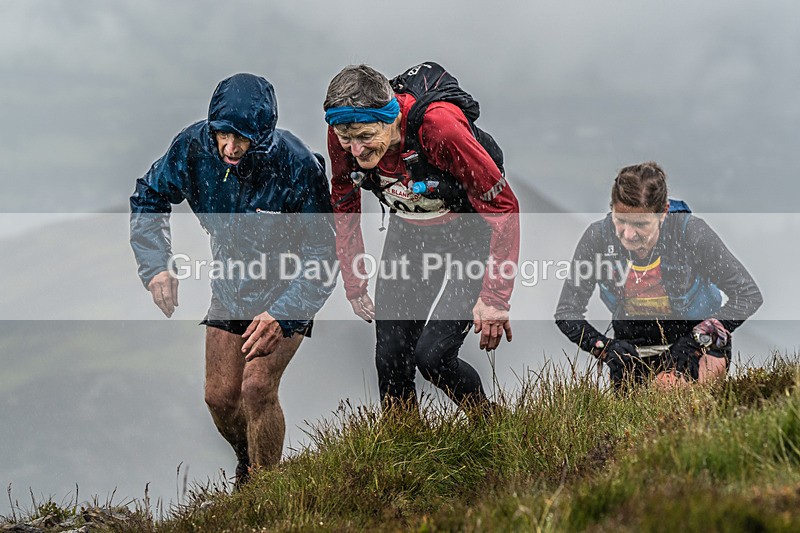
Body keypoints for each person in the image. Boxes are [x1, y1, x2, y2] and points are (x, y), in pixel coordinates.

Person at [130, 73, 336, 484]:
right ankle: (249, 466)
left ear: (263, 134)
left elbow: (323, 257)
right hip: (232, 285)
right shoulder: (193, 147)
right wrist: (156, 266)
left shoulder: (296, 164)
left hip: (289, 287)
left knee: (257, 387)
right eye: (223, 134)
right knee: (220, 397)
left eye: (242, 138)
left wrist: (283, 314)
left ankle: (265, 488)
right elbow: (148, 197)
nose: (230, 147)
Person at [323, 64, 520, 413]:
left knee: (434, 356)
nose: (355, 150)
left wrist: (495, 298)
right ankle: (405, 453)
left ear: (392, 117)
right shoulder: (343, 130)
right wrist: (354, 281)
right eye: (345, 139)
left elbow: (505, 208)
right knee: (390, 358)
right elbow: (344, 200)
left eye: (366, 136)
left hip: (469, 234)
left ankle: (489, 423)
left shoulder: (440, 128)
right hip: (411, 234)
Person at [555, 162, 762, 388]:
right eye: (620, 220)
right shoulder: (598, 237)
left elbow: (748, 294)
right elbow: (567, 312)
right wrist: (605, 348)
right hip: (633, 351)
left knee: (666, 389)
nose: (628, 234)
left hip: (696, 346)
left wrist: (695, 340)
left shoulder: (689, 231)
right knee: (630, 421)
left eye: (640, 224)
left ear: (663, 212)